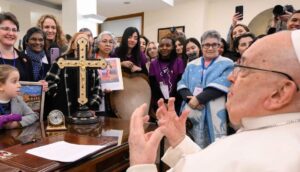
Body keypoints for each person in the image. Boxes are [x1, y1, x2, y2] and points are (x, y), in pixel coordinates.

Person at [127, 30, 300, 172]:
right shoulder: (269, 134)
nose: (231, 78)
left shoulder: (271, 159)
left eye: (244, 69)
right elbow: (209, 164)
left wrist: (141, 165)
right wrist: (181, 142)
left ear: (280, 93)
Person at [177, 30, 233, 148]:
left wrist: (198, 99)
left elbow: (224, 82)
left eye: (214, 44)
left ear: (219, 46)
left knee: (212, 149)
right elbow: (182, 83)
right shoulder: (191, 64)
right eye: (206, 45)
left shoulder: (227, 63)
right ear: (202, 46)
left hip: (214, 113)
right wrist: (190, 100)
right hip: (192, 111)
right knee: (190, 147)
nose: (210, 48)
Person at [45, 32, 101, 117]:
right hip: (63, 112)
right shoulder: (61, 61)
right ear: (73, 44)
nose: (83, 43)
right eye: (80, 40)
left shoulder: (92, 64)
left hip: (86, 114)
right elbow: (49, 81)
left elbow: (97, 88)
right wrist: (58, 97)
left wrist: (92, 106)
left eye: (86, 42)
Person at [148, 37, 185, 114]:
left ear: (173, 47)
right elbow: (153, 85)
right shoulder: (153, 63)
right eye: (161, 46)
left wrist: (171, 102)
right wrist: (162, 102)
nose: (164, 48)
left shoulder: (179, 62)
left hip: (176, 102)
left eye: (168, 45)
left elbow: (180, 83)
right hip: (159, 102)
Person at [0, 65, 38, 129]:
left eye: (18, 81)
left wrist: (17, 124)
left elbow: (33, 116)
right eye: (14, 81)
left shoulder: (18, 100)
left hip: (12, 138)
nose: (19, 85)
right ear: (1, 86)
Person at [0, 12, 34, 81]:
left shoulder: (26, 59)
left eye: (14, 30)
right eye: (6, 29)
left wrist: (38, 85)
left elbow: (30, 86)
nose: (11, 33)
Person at [95, 31, 117, 117]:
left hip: (111, 101)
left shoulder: (114, 62)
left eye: (110, 42)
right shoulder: (91, 60)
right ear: (98, 44)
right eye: (104, 41)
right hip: (95, 100)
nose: (108, 44)